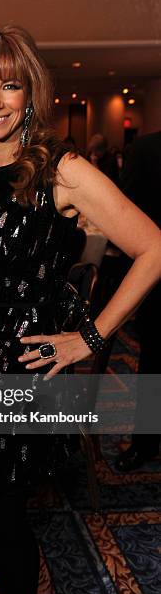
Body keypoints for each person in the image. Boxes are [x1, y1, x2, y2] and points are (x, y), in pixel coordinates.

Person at [0, 26, 161, 594]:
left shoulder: (57, 170)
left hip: (20, 366)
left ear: (30, 93)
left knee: (4, 516)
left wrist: (88, 337)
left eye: (9, 86)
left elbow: (154, 247)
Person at [115, 130, 161, 472]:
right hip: (159, 280)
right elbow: (124, 211)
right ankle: (145, 442)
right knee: (154, 364)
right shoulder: (146, 149)